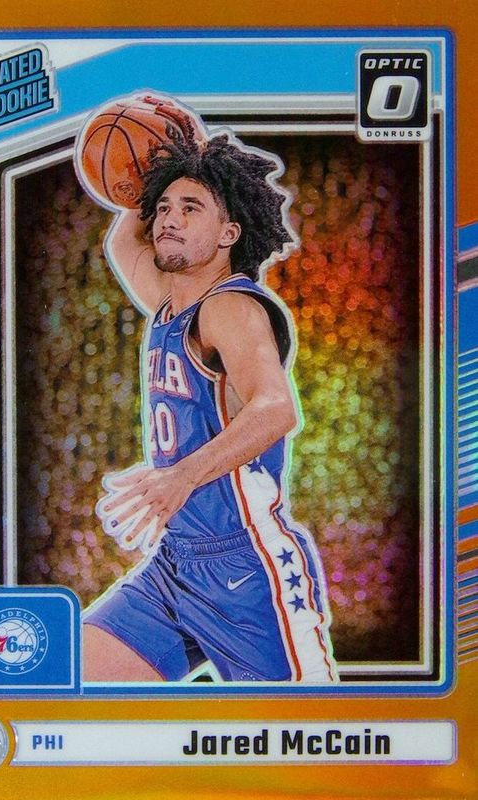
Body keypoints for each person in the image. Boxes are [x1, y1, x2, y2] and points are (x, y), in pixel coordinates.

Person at [83, 120, 337, 683]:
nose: (168, 218)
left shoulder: (230, 308)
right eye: (163, 207)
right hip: (177, 564)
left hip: (248, 569)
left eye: (191, 208)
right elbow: (122, 242)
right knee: (73, 681)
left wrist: (181, 476)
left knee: (305, 729)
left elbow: (277, 408)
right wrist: (171, 154)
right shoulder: (169, 305)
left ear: (228, 233)